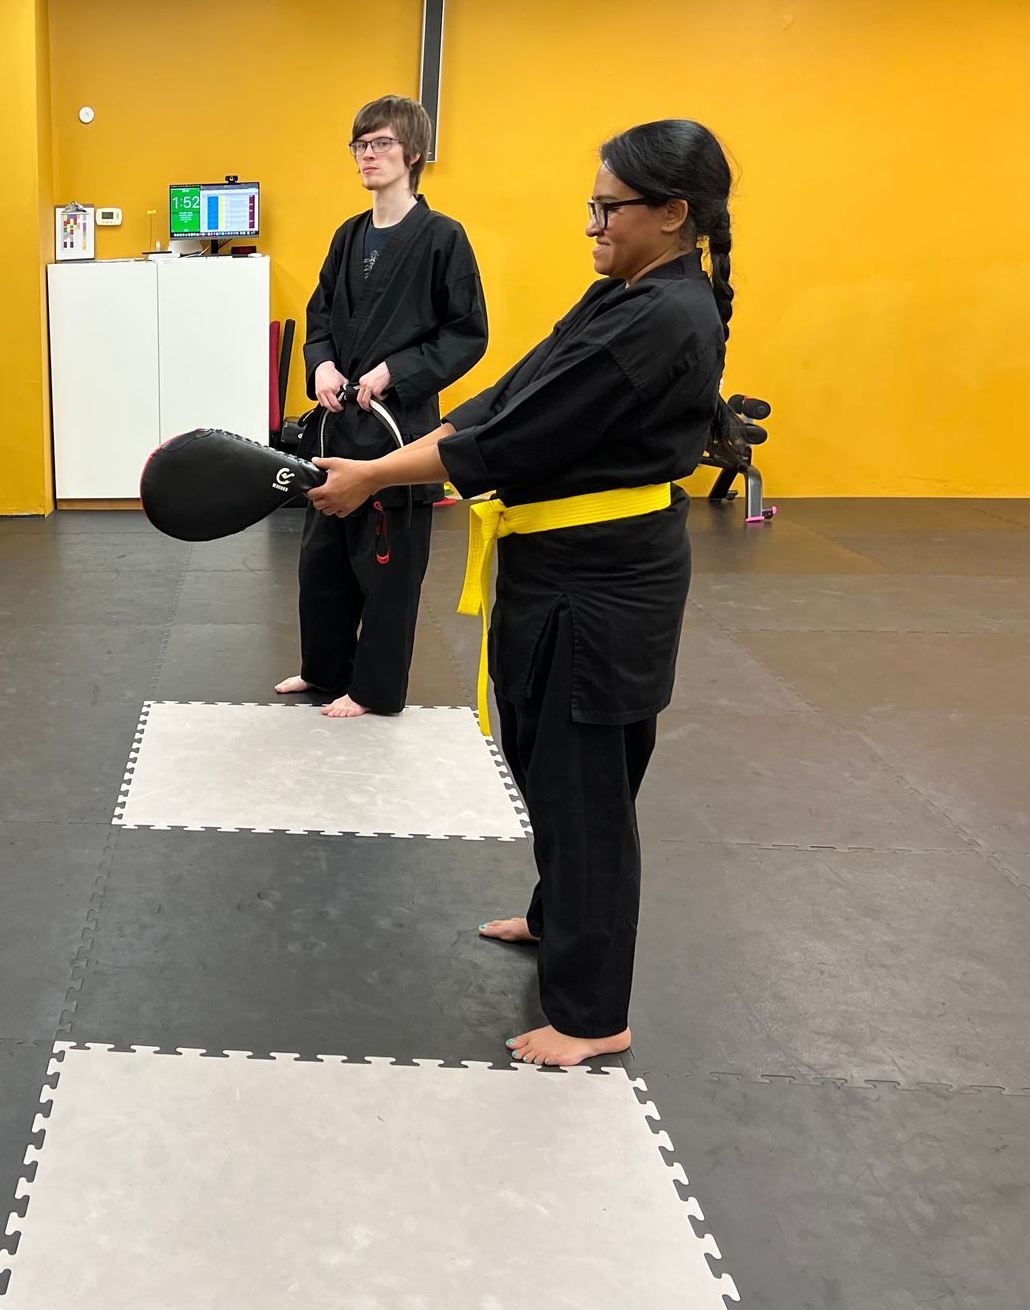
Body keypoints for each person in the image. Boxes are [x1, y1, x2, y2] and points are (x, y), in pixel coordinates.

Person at [307, 120, 739, 1066]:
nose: (593, 223)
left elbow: (509, 440)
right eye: (592, 204)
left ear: (673, 215)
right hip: (558, 575)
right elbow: (509, 394)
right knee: (548, 761)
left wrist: (377, 475)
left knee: (587, 791)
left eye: (608, 207)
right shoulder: (619, 296)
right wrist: (409, 446)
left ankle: (591, 1015)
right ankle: (557, 919)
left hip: (604, 586)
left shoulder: (665, 316)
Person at [277, 94, 488, 718]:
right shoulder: (349, 236)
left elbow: (466, 332)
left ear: (414, 153)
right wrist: (321, 364)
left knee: (388, 574)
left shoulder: (444, 238)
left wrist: (396, 372)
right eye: (361, 145)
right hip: (338, 429)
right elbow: (319, 314)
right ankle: (323, 672)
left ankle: (375, 690)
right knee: (321, 564)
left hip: (399, 433)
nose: (369, 155)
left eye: (382, 144)